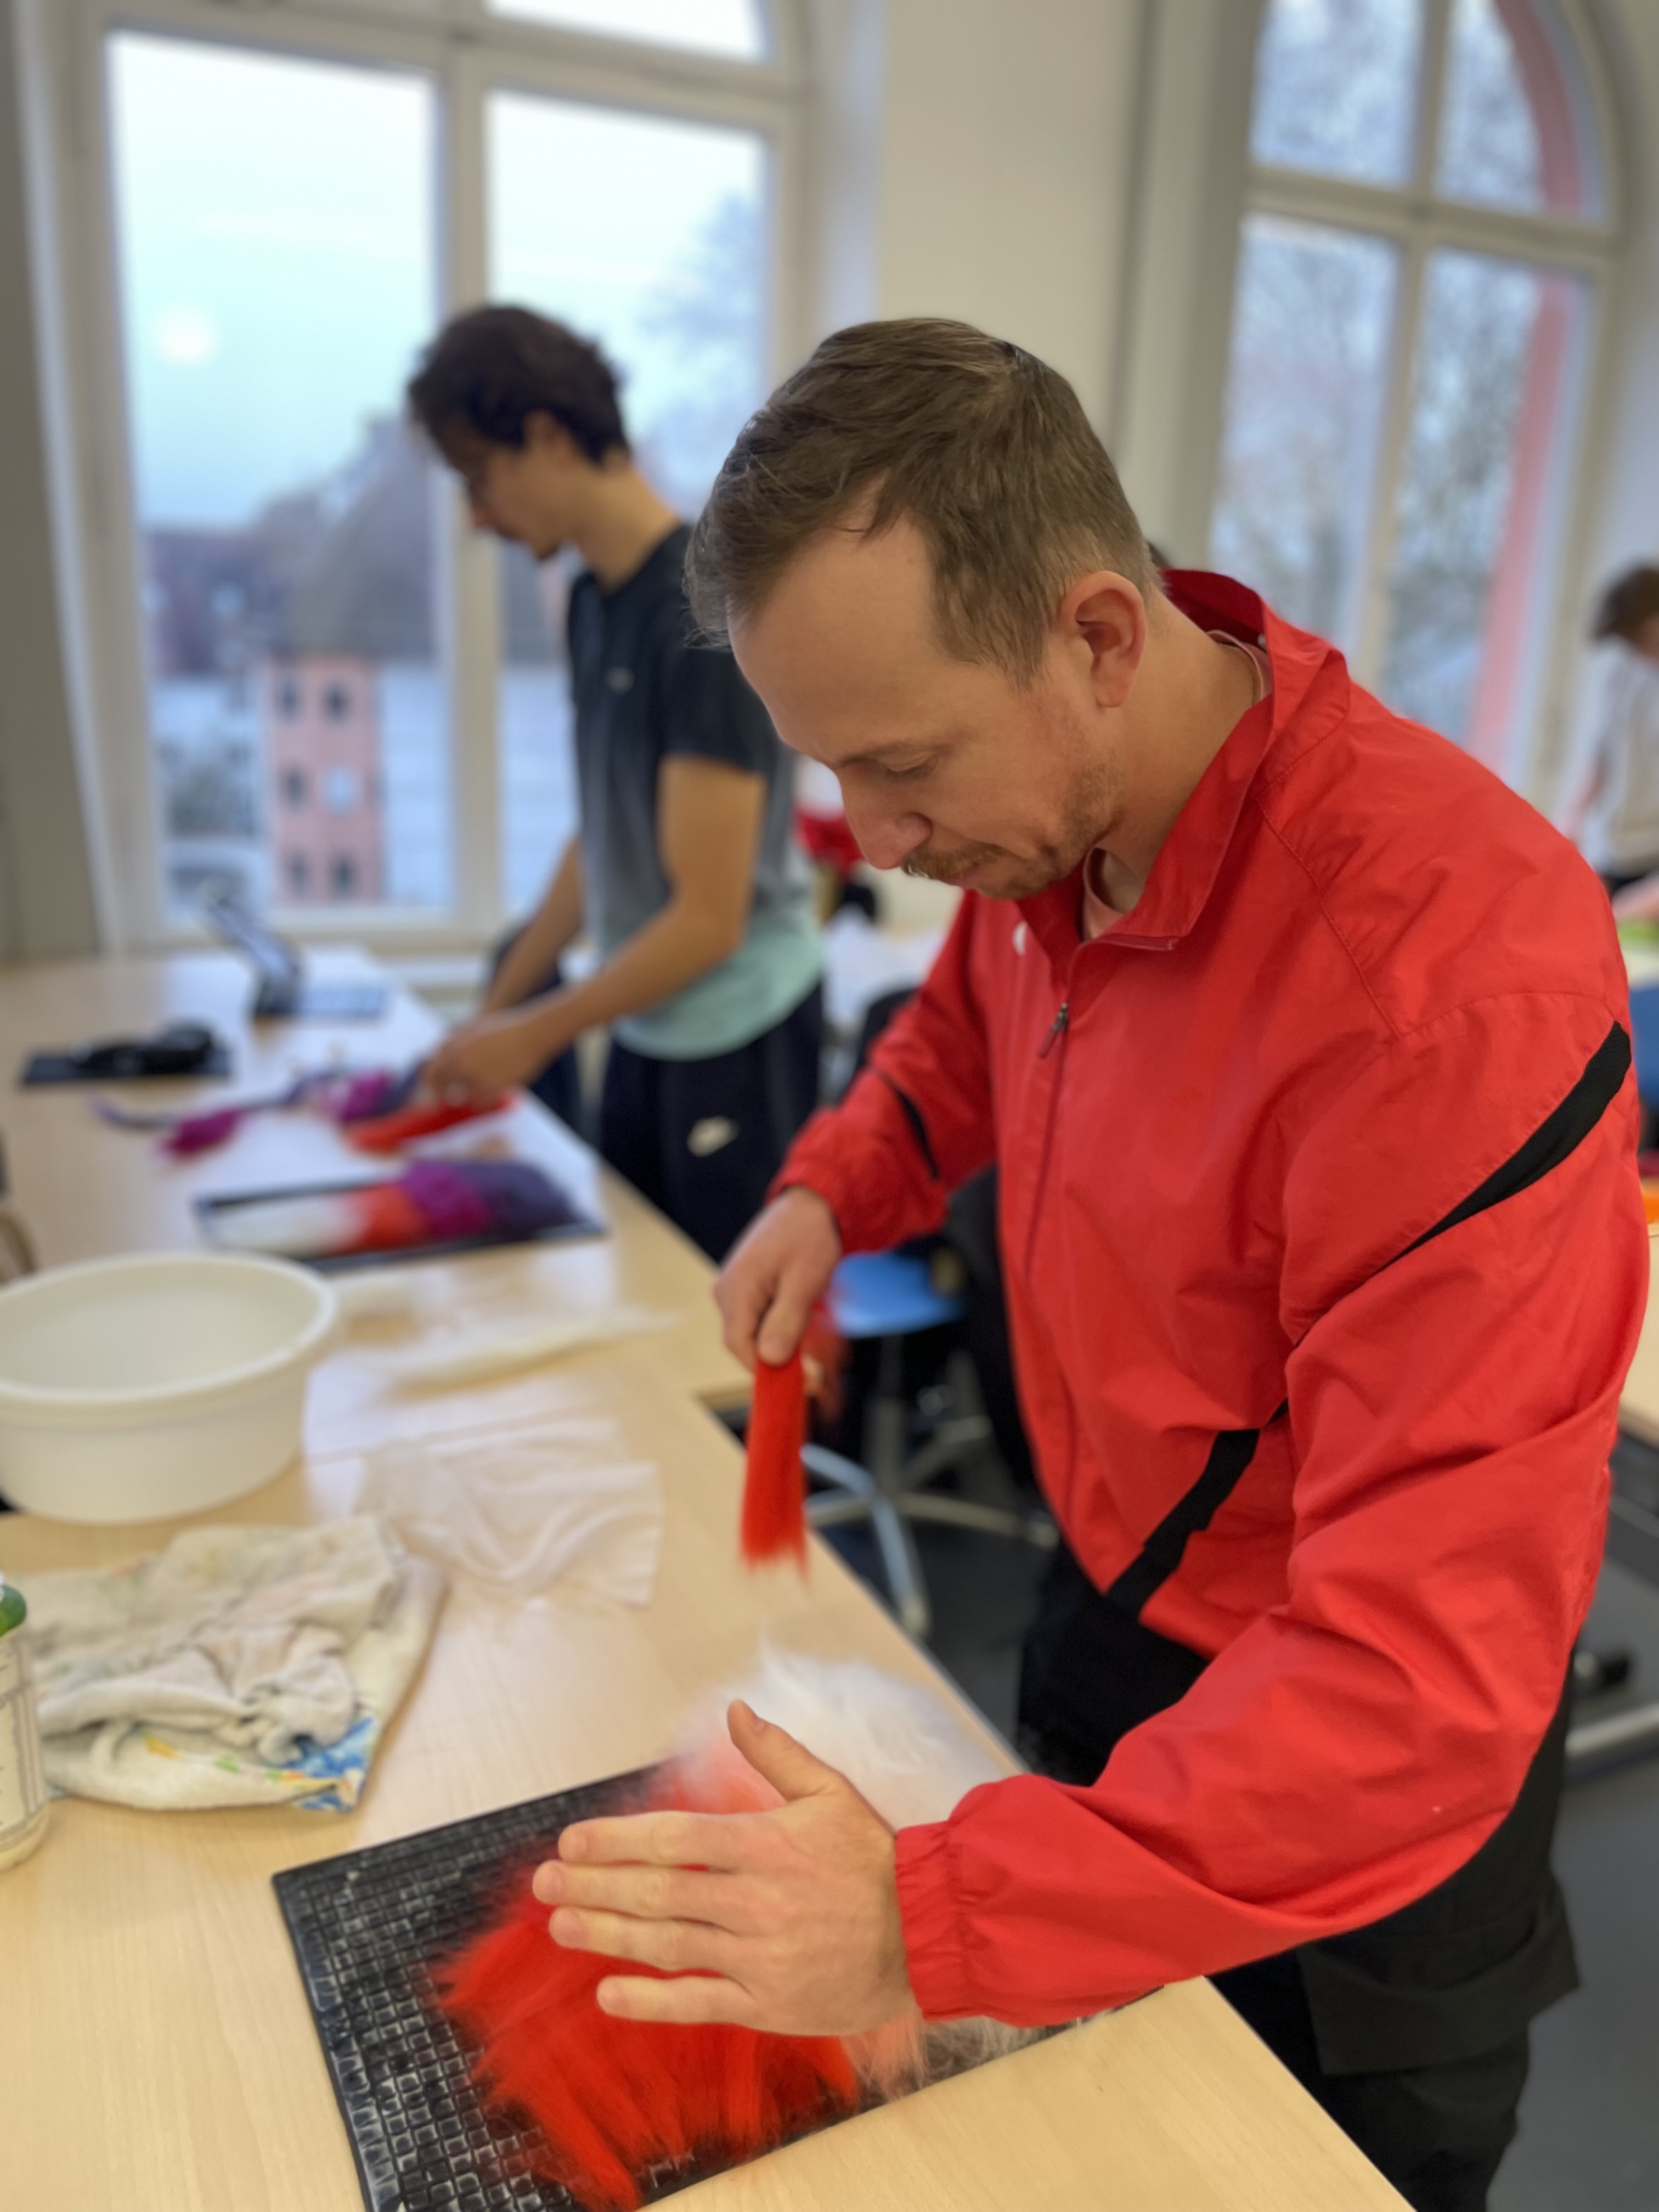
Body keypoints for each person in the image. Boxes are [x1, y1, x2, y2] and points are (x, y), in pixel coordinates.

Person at [524, 321, 1646, 2212]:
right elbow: (964, 1036)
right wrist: (829, 1191)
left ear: (1102, 638)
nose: (879, 843)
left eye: (900, 768)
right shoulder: (1048, 817)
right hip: (1113, 1603)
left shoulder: (1443, 982)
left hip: (1348, 1784)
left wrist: (931, 1918)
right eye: (838, 773)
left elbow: (1414, 1681)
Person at [407, 307, 823, 1261]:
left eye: (479, 476)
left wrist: (534, 1034)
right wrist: (492, 1017)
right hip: (650, 1023)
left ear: (548, 437)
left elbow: (707, 919)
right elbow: (601, 839)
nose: (476, 516)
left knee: (723, 1318)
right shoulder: (593, 606)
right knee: (635, 1281)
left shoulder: (701, 613)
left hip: (740, 1030)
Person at [1564, 562, 1659, 899]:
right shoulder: (1624, 673)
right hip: (1615, 851)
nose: (1638, 650)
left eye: (1643, 637)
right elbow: (1603, 754)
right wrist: (1572, 819)